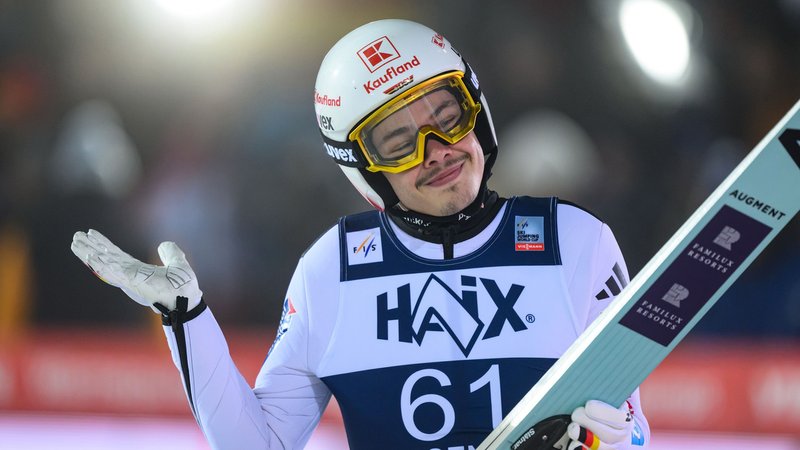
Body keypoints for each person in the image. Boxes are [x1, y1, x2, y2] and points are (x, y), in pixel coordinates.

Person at [71, 19, 650, 450]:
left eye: (448, 118)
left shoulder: (575, 243)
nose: (438, 152)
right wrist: (186, 319)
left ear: (479, 112)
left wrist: (614, 442)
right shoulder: (333, 271)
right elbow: (261, 444)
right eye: (399, 143)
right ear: (362, 168)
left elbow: (637, 431)